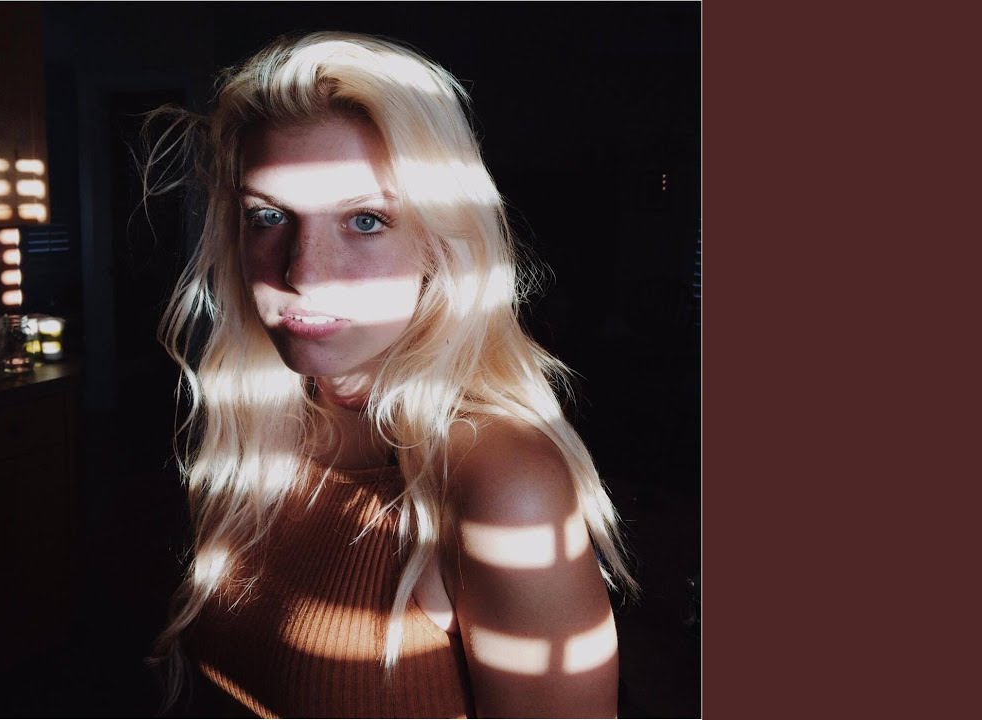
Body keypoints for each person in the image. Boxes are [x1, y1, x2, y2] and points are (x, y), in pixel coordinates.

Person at [144, 31, 637, 718]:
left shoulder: (500, 483)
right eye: (268, 217)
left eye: (367, 220)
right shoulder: (265, 434)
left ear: (440, 242)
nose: (303, 274)